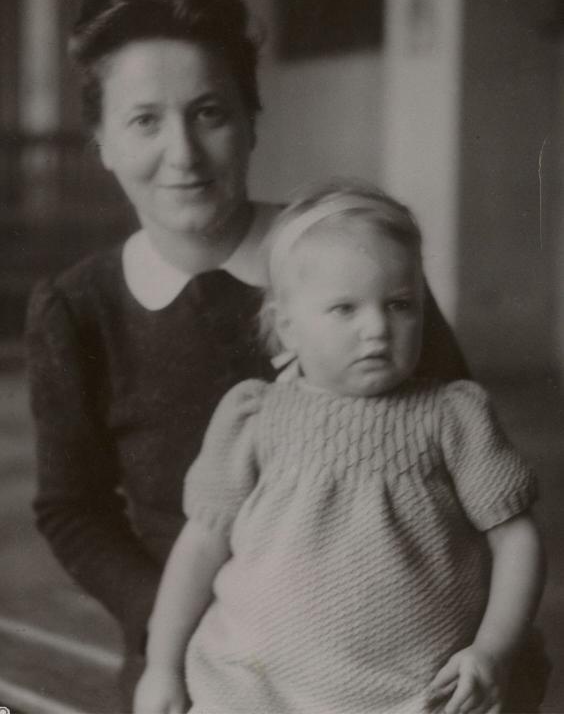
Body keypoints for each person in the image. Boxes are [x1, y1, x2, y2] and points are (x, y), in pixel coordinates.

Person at [25, 0, 468, 712]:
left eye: (209, 113)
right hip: (202, 651)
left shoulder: (354, 261)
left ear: (253, 118)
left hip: (394, 639)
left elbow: (456, 441)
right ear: (100, 140)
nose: (183, 154)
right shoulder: (77, 310)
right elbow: (73, 510)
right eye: (144, 121)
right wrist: (177, 617)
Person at [134, 181, 546, 714]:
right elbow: (198, 549)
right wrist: (162, 668)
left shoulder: (454, 415)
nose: (377, 328)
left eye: (399, 305)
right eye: (345, 309)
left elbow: (517, 539)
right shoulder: (254, 417)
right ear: (288, 328)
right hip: (253, 685)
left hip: (412, 688)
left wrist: (494, 650)